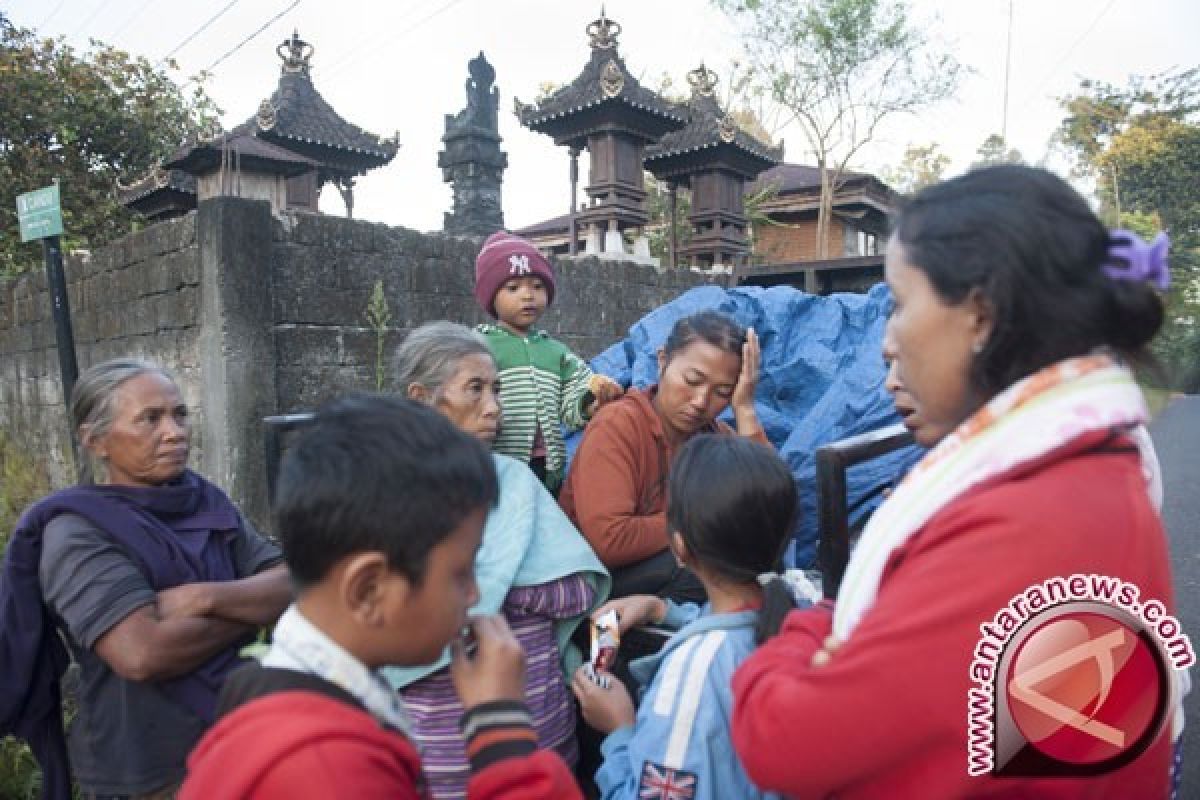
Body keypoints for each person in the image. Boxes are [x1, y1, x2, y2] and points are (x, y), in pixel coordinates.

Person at [731, 165, 1179, 797]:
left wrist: (801, 631)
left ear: (981, 312)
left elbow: (785, 741)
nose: (889, 340)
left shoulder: (1029, 523)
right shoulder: (1088, 469)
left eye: (901, 302)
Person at [180, 395, 582, 799]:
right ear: (368, 590)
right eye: (461, 573)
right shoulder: (327, 773)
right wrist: (501, 729)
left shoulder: (300, 701)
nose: (475, 594)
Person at [0, 358, 290, 800]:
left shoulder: (204, 502)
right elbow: (142, 654)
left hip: (241, 737)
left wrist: (202, 597)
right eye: (149, 420)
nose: (175, 432)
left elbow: (293, 582)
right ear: (95, 440)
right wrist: (249, 608)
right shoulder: (76, 533)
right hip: (151, 769)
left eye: (179, 414)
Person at [386, 321, 610, 799]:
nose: (494, 407)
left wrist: (486, 593)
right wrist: (511, 588)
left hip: (540, 736)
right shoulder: (380, 493)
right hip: (437, 756)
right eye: (475, 389)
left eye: (496, 389)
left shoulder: (514, 482)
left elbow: (578, 590)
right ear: (421, 397)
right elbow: (387, 619)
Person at [572, 435, 807, 800]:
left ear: (679, 547)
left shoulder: (691, 677)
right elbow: (732, 624)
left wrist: (619, 729)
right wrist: (661, 610)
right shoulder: (797, 610)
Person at [559, 309, 768, 604]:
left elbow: (770, 509)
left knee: (760, 563)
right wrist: (706, 521)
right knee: (713, 574)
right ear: (662, 361)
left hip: (666, 564)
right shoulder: (617, 425)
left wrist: (745, 410)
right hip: (595, 586)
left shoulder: (712, 435)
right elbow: (610, 540)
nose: (700, 402)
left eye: (722, 392)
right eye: (692, 380)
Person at [473, 231, 623, 491]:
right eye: (513, 288)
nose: (528, 295)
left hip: (547, 468)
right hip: (496, 464)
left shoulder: (556, 352)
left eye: (537, 286)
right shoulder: (478, 347)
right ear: (491, 297)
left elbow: (574, 396)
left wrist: (592, 400)